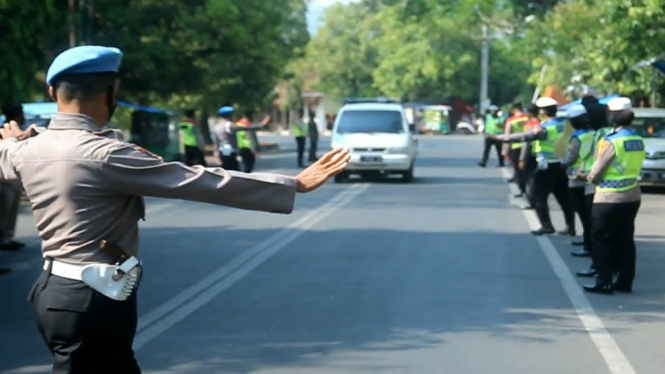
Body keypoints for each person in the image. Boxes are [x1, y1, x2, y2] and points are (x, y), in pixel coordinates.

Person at [0, 45, 350, 373]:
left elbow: (10, 156)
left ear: (52, 93)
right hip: (93, 300)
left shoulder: (25, 150)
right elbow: (197, 180)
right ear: (112, 93)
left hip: (54, 292)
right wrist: (292, 184)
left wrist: (16, 139)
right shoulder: (105, 154)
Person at [583, 97, 644, 294]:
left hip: (608, 197)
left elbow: (596, 172)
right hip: (632, 196)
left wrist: (586, 176)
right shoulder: (637, 138)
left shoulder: (611, 141)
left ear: (613, 116)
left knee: (601, 239)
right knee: (625, 238)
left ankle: (604, 281)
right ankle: (625, 282)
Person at [489, 97, 575, 235]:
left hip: (547, 167)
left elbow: (524, 137)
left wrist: (499, 138)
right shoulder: (566, 124)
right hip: (563, 165)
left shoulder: (544, 128)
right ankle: (571, 227)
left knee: (536, 196)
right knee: (564, 198)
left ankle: (547, 226)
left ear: (542, 111)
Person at [562, 104, 595, 265]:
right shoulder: (594, 134)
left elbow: (572, 157)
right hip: (591, 177)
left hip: (577, 178)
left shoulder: (577, 137)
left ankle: (588, 245)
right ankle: (587, 242)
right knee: (588, 215)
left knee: (584, 215)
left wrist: (563, 163)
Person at [0, 104, 26, 252]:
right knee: (3, 211)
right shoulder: (5, 131)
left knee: (10, 211)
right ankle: (3, 239)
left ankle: (7, 238)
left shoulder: (19, 130)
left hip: (13, 179)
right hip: (3, 179)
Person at [212, 106, 269, 171]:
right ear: (229, 115)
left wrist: (216, 155)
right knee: (235, 172)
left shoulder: (217, 127)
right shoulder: (229, 125)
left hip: (222, 152)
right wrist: (261, 125)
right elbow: (245, 128)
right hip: (231, 152)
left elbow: (216, 143)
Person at [503, 103, 530, 196]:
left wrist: (504, 151)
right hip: (529, 146)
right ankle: (530, 188)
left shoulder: (511, 120)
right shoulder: (528, 118)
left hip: (516, 147)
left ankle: (522, 189)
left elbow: (507, 136)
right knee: (528, 169)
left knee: (518, 170)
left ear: (514, 109)